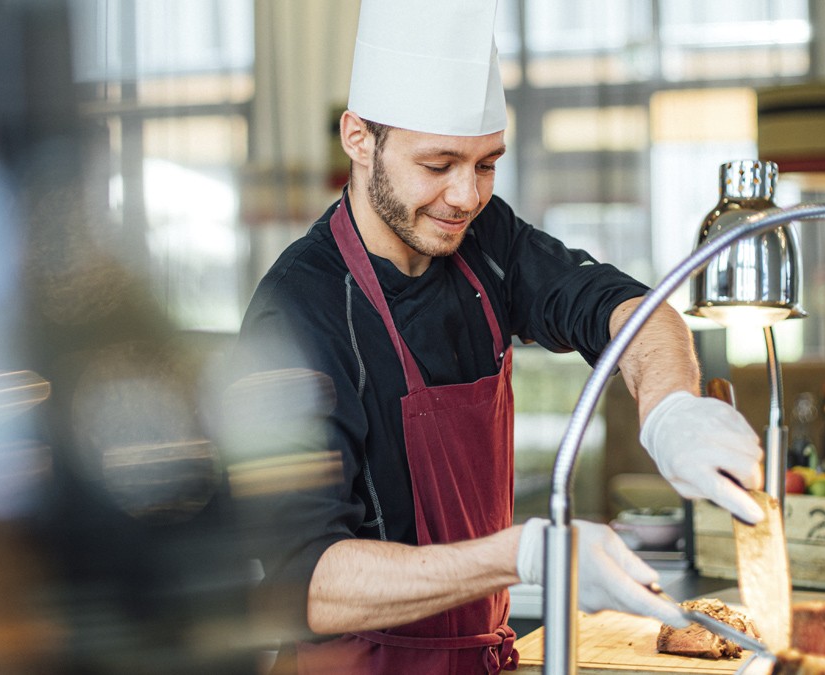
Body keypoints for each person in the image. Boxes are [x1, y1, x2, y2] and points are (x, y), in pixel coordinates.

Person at [231, 1, 765, 672]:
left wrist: (671, 409)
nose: (465, 196)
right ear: (359, 138)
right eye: (438, 164)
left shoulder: (485, 244)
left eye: (487, 164)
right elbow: (304, 583)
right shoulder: (296, 314)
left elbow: (629, 306)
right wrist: (523, 554)